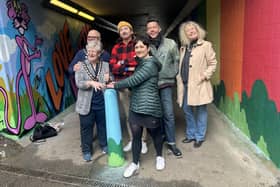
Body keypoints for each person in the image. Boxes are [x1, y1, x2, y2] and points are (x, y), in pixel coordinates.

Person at [107, 36, 164, 178]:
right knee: (136, 136)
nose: (138, 49)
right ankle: (135, 163)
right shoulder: (140, 63)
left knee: (155, 134)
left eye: (141, 47)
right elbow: (135, 82)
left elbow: (135, 80)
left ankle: (159, 156)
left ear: (148, 48)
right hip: (136, 105)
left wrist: (115, 84)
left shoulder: (150, 64)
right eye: (136, 47)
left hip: (150, 106)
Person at [177, 21, 217, 148]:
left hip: (199, 84)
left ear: (198, 30)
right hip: (185, 84)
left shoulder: (206, 45)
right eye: (188, 30)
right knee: (186, 110)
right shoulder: (183, 47)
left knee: (201, 111)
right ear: (185, 34)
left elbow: (213, 63)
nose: (191, 31)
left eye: (193, 28)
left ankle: (199, 137)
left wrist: (204, 76)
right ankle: (191, 134)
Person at [110, 21, 148, 154]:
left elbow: (140, 63)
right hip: (123, 86)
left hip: (138, 86)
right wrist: (128, 66)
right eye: (121, 30)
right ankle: (133, 140)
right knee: (129, 115)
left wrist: (122, 65)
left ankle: (142, 141)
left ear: (131, 31)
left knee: (141, 113)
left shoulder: (138, 45)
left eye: (126, 29)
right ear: (119, 33)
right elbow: (113, 68)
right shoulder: (116, 48)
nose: (124, 31)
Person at [146, 18, 182, 157]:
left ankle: (171, 142)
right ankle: (159, 138)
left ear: (159, 29)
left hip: (166, 83)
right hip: (151, 84)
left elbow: (176, 60)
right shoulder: (145, 44)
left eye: (154, 27)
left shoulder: (170, 43)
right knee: (155, 113)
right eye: (149, 28)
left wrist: (171, 74)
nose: (152, 30)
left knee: (168, 113)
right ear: (147, 31)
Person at [75, 40, 110, 161]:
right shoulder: (80, 65)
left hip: (102, 102)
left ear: (99, 53)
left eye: (93, 51)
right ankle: (86, 150)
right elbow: (79, 83)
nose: (91, 53)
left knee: (102, 125)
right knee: (86, 127)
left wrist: (109, 78)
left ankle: (104, 144)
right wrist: (90, 82)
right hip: (86, 104)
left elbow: (108, 81)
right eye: (89, 51)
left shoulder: (105, 65)